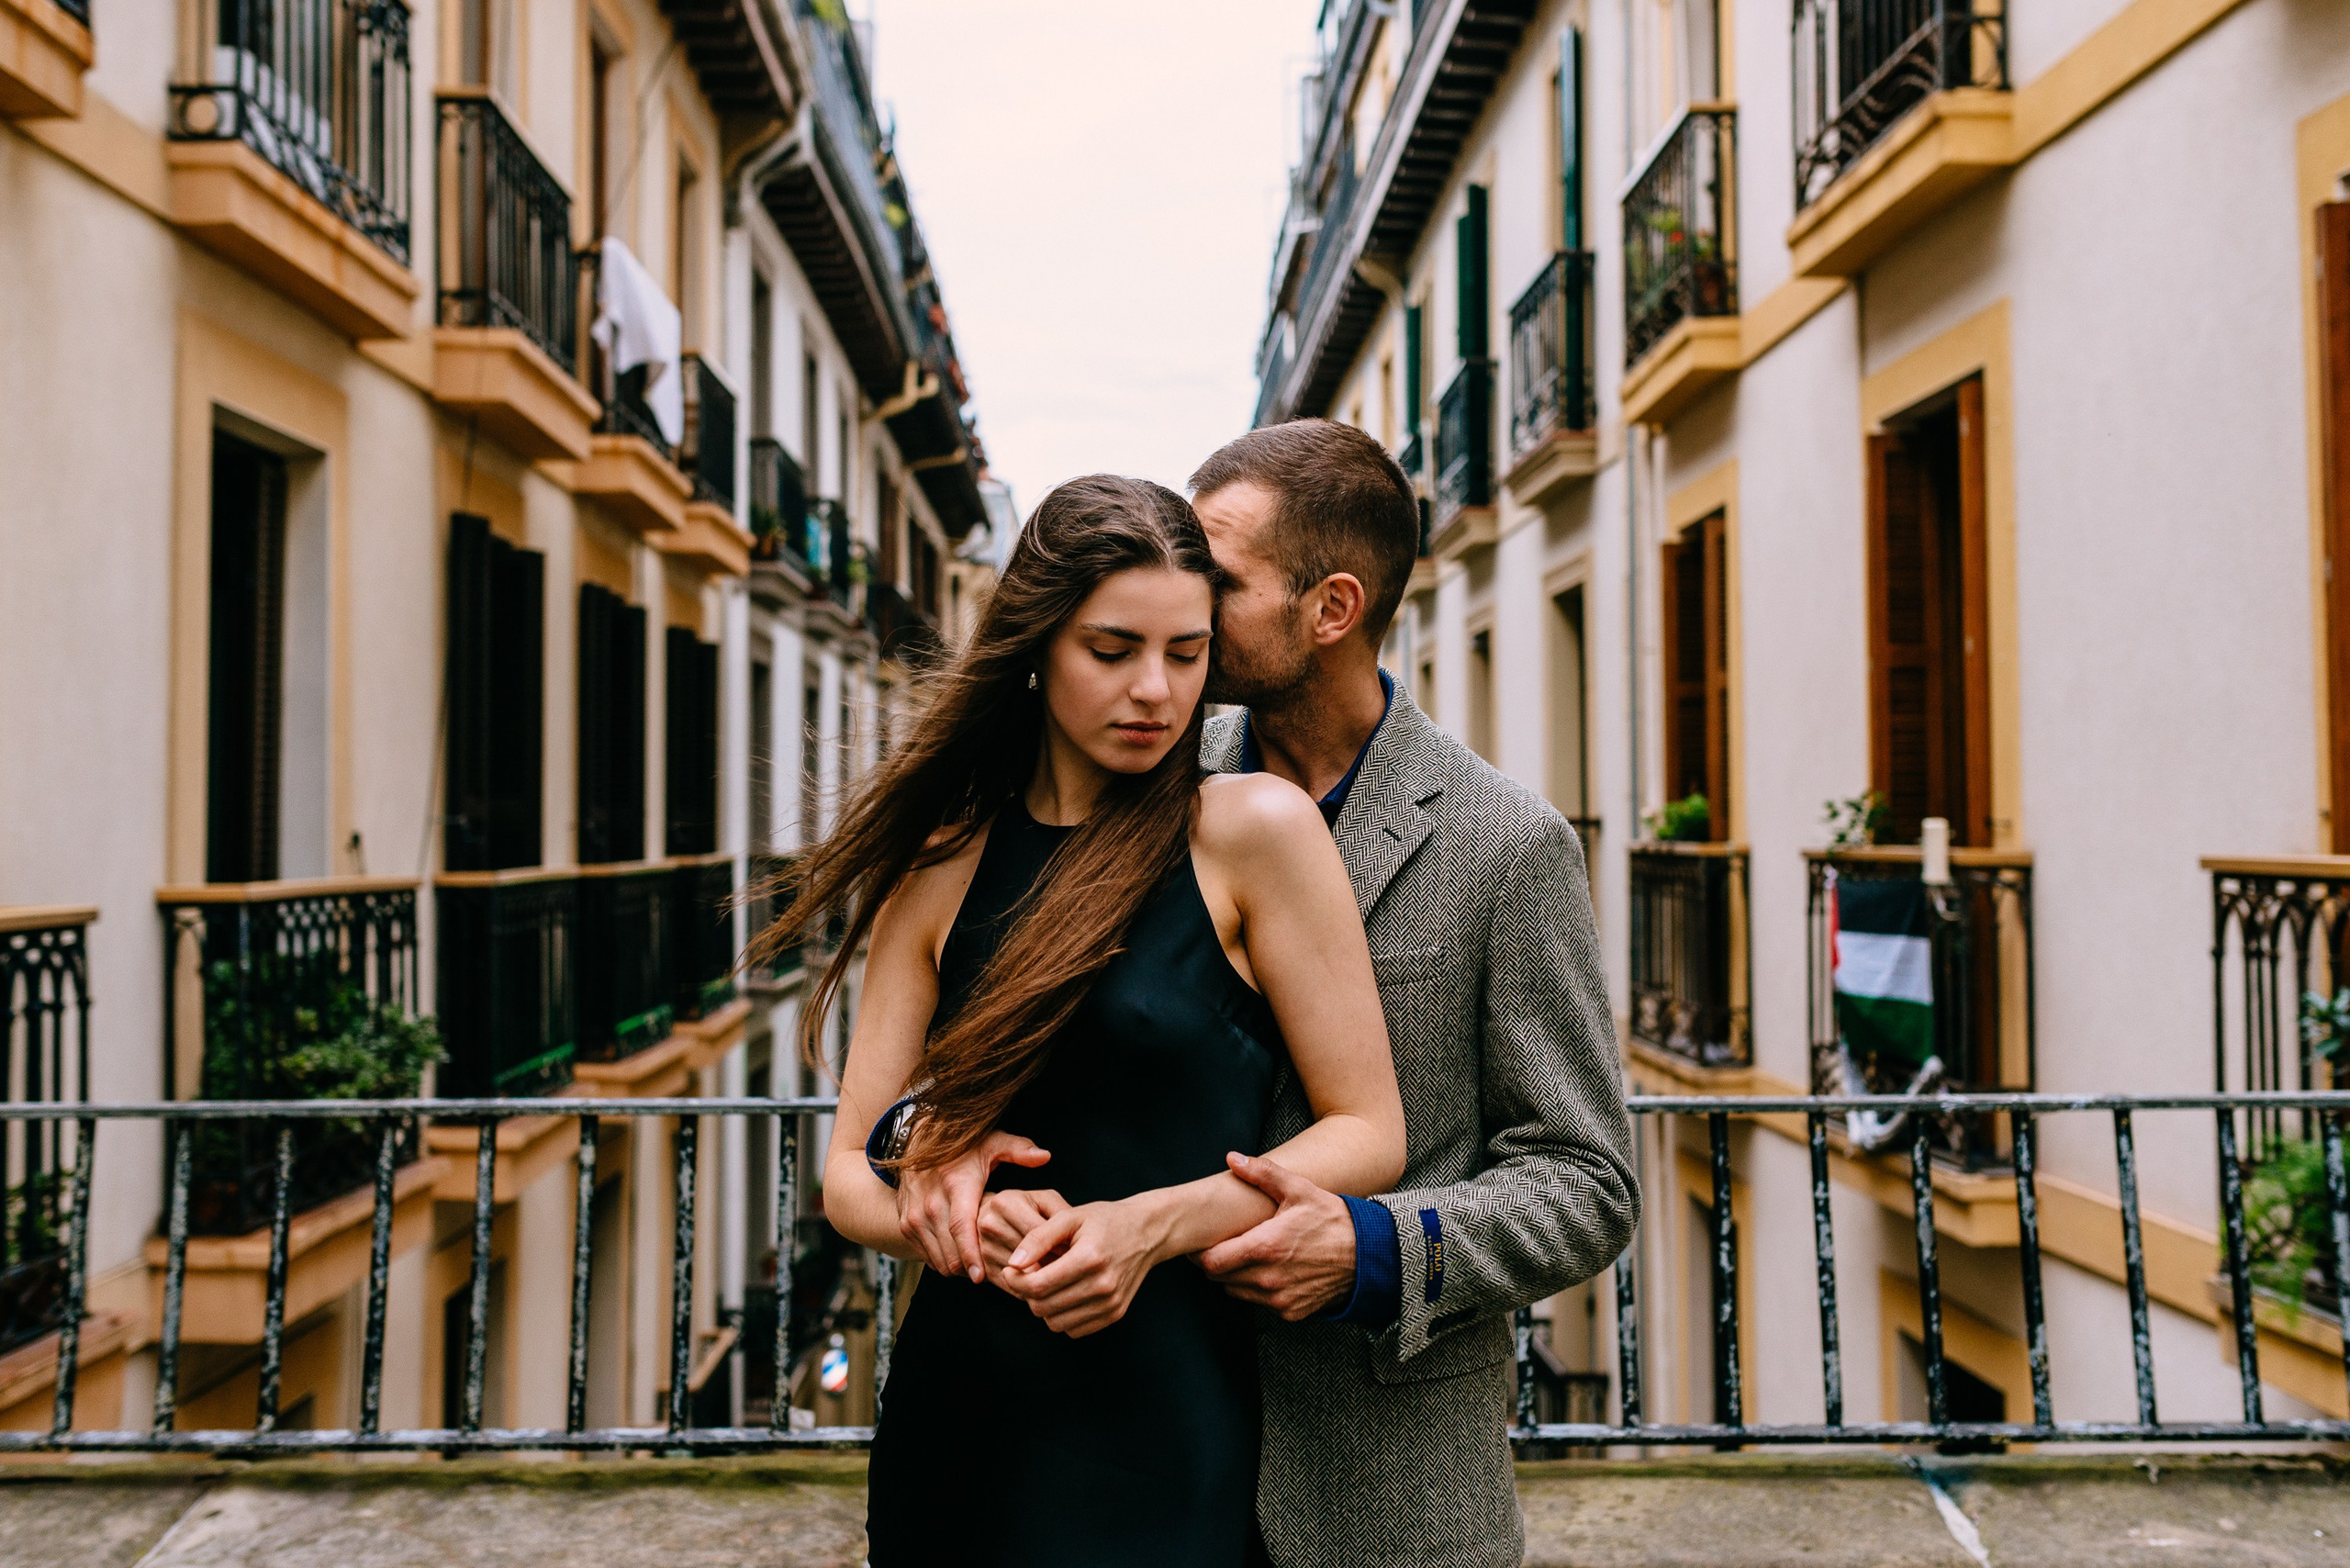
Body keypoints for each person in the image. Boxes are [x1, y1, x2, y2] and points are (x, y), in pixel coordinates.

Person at [903, 420, 1639, 1568]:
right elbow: (987, 1036)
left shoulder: (1506, 845)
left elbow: (1587, 1181)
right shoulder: (1136, 772)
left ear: (1330, 608)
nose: (1182, 592)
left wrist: (1374, 1246)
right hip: (1113, 1434)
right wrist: (930, 1140)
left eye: (1220, 575)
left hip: (1371, 1483)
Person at [771, 474, 1406, 1568]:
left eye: (1186, 652)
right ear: (1035, 645)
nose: (1155, 691)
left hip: (1169, 1421)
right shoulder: (942, 861)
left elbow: (1368, 1132)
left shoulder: (1251, 829)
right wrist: (947, 1204)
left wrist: (1148, 1225)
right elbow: (846, 1176)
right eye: (1111, 651)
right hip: (959, 1421)